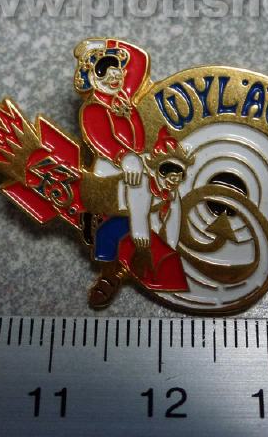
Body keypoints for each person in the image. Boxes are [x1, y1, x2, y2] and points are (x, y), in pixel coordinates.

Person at [73, 38, 191, 308]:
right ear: (93, 78)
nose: (115, 75)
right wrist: (123, 157)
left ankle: (167, 239)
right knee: (139, 186)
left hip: (134, 164)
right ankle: (138, 240)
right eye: (106, 70)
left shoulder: (124, 101)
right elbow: (102, 139)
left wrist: (103, 44)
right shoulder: (94, 108)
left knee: (167, 186)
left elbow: (138, 59)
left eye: (117, 69)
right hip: (109, 170)